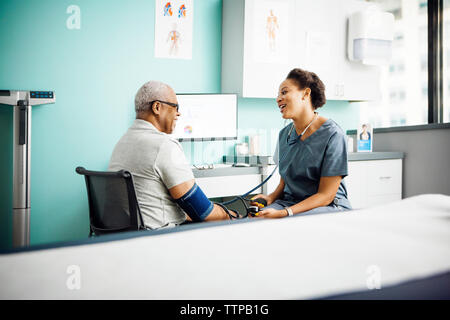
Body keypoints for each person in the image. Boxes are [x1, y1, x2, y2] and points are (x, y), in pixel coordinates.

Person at [108, 81, 231, 229]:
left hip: (129, 235)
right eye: (175, 107)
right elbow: (203, 212)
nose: (178, 113)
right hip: (161, 236)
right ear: (157, 107)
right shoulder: (163, 145)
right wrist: (236, 215)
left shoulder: (123, 142)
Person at [251, 68, 352, 218]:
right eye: (278, 95)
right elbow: (285, 182)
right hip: (290, 203)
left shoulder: (333, 135)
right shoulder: (284, 134)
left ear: (306, 93)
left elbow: (326, 195)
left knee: (292, 223)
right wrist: (271, 197)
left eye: (284, 92)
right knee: (258, 219)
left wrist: (285, 213)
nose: (278, 99)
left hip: (327, 205)